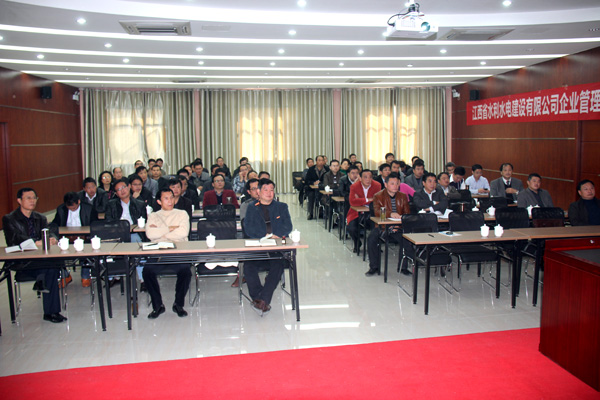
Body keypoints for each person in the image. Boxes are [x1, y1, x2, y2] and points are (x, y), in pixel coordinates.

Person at [2, 188, 66, 323]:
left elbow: (49, 231)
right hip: (22, 262)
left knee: (51, 268)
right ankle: (51, 312)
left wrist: (52, 238)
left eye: (34, 198)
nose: (32, 201)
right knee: (51, 268)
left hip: (40, 260)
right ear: (19, 201)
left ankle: (50, 308)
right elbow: (14, 239)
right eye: (28, 198)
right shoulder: (9, 219)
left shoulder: (40, 217)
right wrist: (34, 242)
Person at [243, 178, 293, 316]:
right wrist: (265, 236)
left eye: (272, 190)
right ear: (258, 192)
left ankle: (262, 300)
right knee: (248, 266)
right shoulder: (252, 207)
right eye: (266, 190)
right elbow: (249, 229)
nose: (269, 193)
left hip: (276, 248)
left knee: (278, 265)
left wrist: (276, 235)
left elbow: (288, 226)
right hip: (258, 247)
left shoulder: (282, 207)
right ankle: (260, 299)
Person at [143, 188, 192, 319]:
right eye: (166, 198)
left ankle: (178, 304)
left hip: (178, 250)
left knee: (185, 271)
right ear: (159, 201)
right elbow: (150, 234)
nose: (170, 201)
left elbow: (183, 232)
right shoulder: (153, 215)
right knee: (147, 271)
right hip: (158, 251)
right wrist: (171, 228)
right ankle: (158, 306)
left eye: (171, 197)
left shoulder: (182, 214)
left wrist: (160, 232)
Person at [365, 172, 410, 276]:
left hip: (398, 227)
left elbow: (407, 214)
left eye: (397, 183)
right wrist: (390, 214)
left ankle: (403, 267)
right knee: (371, 239)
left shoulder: (403, 196)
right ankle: (374, 267)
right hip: (382, 226)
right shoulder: (378, 196)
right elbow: (377, 212)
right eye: (392, 183)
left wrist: (398, 225)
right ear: (385, 184)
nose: (395, 186)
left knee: (406, 239)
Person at [50, 191, 98, 287]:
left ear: (79, 201)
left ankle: (85, 276)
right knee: (56, 252)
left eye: (74, 208)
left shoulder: (89, 208)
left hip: (85, 237)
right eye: (69, 208)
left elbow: (95, 225)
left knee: (86, 250)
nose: (72, 210)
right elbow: (55, 224)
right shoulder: (61, 209)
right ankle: (65, 276)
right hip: (66, 238)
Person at [346, 169, 381, 251]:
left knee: (376, 227)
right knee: (352, 228)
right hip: (356, 213)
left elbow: (377, 200)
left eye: (370, 177)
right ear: (360, 178)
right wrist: (368, 199)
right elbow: (352, 202)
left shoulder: (377, 185)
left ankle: (374, 245)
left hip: (371, 213)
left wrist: (360, 200)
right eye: (365, 177)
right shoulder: (354, 186)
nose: (368, 180)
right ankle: (357, 242)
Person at [305, 155, 329, 220]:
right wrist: (313, 183)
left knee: (324, 196)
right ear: (316, 161)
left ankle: (322, 213)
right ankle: (311, 213)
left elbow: (328, 180)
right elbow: (307, 180)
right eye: (319, 160)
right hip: (312, 189)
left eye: (322, 160)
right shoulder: (311, 169)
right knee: (311, 195)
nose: (321, 162)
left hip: (322, 188)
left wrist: (321, 183)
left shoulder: (327, 169)